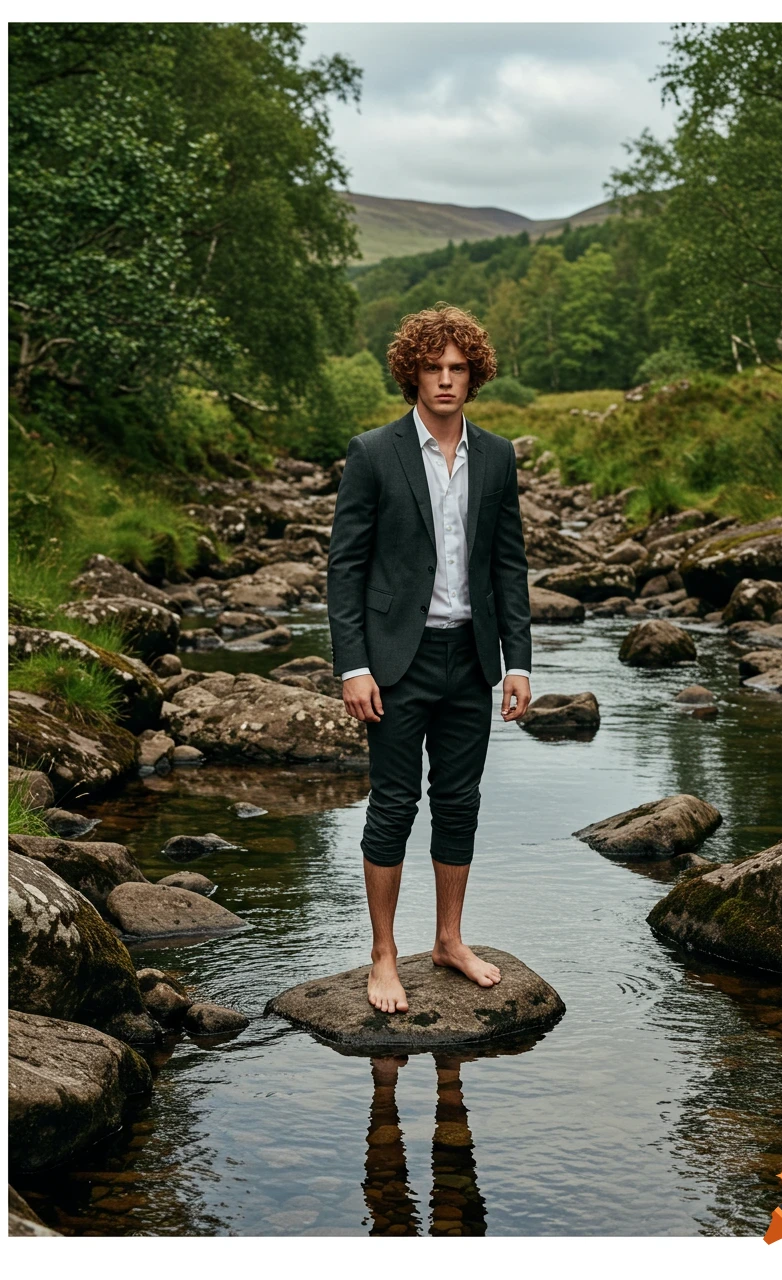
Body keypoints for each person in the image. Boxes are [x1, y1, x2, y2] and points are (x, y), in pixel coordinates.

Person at [327, 302, 532, 1015]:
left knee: (459, 802)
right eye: (433, 367)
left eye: (458, 368)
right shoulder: (372, 452)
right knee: (392, 804)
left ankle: (448, 940)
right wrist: (353, 666)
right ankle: (384, 955)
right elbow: (345, 569)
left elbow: (509, 566)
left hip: (470, 657)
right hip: (394, 662)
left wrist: (518, 662)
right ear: (411, 373)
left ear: (475, 376)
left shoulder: (497, 456)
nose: (446, 379)